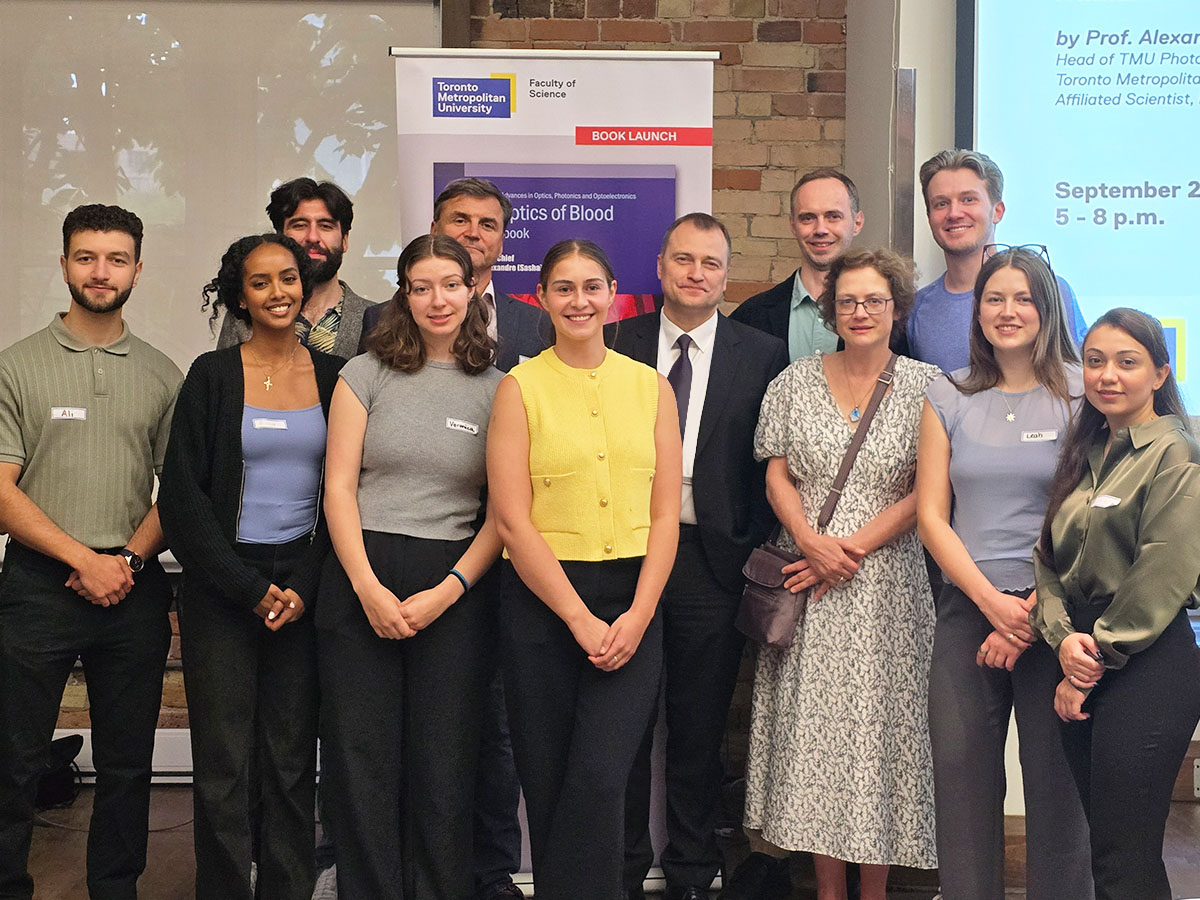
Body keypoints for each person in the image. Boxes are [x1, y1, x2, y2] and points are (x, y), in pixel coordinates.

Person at [740, 248, 939, 900]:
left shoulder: (929, 387)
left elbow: (928, 488)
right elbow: (776, 473)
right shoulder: (793, 381)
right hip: (808, 583)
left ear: (896, 308)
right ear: (830, 311)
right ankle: (827, 891)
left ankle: (875, 891)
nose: (860, 311)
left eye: (873, 300)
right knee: (819, 740)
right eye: (847, 301)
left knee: (877, 741)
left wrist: (847, 549)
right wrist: (809, 541)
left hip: (888, 590)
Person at [487, 239, 682, 900]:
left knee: (600, 778)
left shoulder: (651, 388)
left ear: (613, 295)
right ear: (542, 298)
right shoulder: (519, 388)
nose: (579, 301)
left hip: (632, 602)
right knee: (548, 783)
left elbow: (665, 514)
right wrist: (577, 617)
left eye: (591, 286)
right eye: (564, 288)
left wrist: (639, 614)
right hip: (542, 606)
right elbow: (512, 520)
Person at [0, 204, 183, 899]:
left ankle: (115, 889)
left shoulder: (163, 374)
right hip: (37, 588)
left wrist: (126, 562)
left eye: (115, 259)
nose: (100, 272)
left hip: (133, 588)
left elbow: (180, 494)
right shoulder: (16, 367)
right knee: (14, 759)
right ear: (64, 265)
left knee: (128, 765)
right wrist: (83, 560)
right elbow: (0, 490)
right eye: (86, 257)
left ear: (137, 270)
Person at [158, 234, 344, 900]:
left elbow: (345, 494)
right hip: (223, 588)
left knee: (291, 761)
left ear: (303, 285)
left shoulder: (337, 376)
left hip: (302, 587)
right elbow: (181, 498)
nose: (278, 292)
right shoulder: (211, 376)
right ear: (240, 296)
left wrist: (302, 587)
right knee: (224, 764)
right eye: (260, 282)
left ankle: (288, 889)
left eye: (288, 278)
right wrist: (249, 589)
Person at [318, 234, 503, 899]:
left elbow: (502, 516)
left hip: (454, 584)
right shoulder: (364, 374)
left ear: (473, 289)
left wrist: (448, 591)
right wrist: (366, 587)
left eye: (450, 284)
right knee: (360, 757)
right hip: (359, 573)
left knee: (444, 760)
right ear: (403, 294)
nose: (437, 300)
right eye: (420, 287)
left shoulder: (500, 389)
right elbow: (338, 487)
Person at [610, 214, 788, 900]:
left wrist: (746, 549)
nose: (696, 273)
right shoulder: (617, 341)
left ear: (726, 275)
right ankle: (622, 870)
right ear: (660, 267)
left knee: (697, 729)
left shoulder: (761, 353)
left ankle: (690, 871)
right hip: (625, 555)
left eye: (710, 263)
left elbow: (771, 464)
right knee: (624, 724)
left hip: (711, 564)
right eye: (683, 259)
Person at [915, 247, 1092, 900]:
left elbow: (1090, 517)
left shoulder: (1083, 393)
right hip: (969, 610)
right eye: (994, 298)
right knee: (961, 787)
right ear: (978, 310)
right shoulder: (948, 393)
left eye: (1023, 298)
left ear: (1047, 308)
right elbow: (932, 516)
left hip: (1059, 616)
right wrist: (993, 605)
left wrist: (1031, 616)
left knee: (1057, 792)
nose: (1008, 311)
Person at [1033, 308, 1200, 900]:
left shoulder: (1176, 453)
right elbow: (1047, 559)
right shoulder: (1087, 450)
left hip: (1145, 663)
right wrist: (1062, 639)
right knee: (1109, 851)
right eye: (1095, 361)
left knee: (1124, 858)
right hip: (1081, 652)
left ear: (1160, 373)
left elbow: (1163, 569)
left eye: (1127, 362)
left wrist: (1091, 661)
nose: (1107, 375)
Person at [907, 150, 1087, 371]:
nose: (954, 213)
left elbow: (1078, 378)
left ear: (998, 211)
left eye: (968, 200)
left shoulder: (1050, 291)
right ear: (929, 216)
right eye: (941, 204)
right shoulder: (916, 310)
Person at [219, 178, 377, 359]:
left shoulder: (378, 320)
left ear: (345, 240)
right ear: (279, 238)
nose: (313, 237)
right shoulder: (245, 316)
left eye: (325, 226)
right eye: (300, 225)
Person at [730, 169, 864, 360]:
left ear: (857, 223)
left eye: (833, 216)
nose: (820, 229)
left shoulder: (887, 319)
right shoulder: (751, 317)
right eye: (808, 218)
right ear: (793, 225)